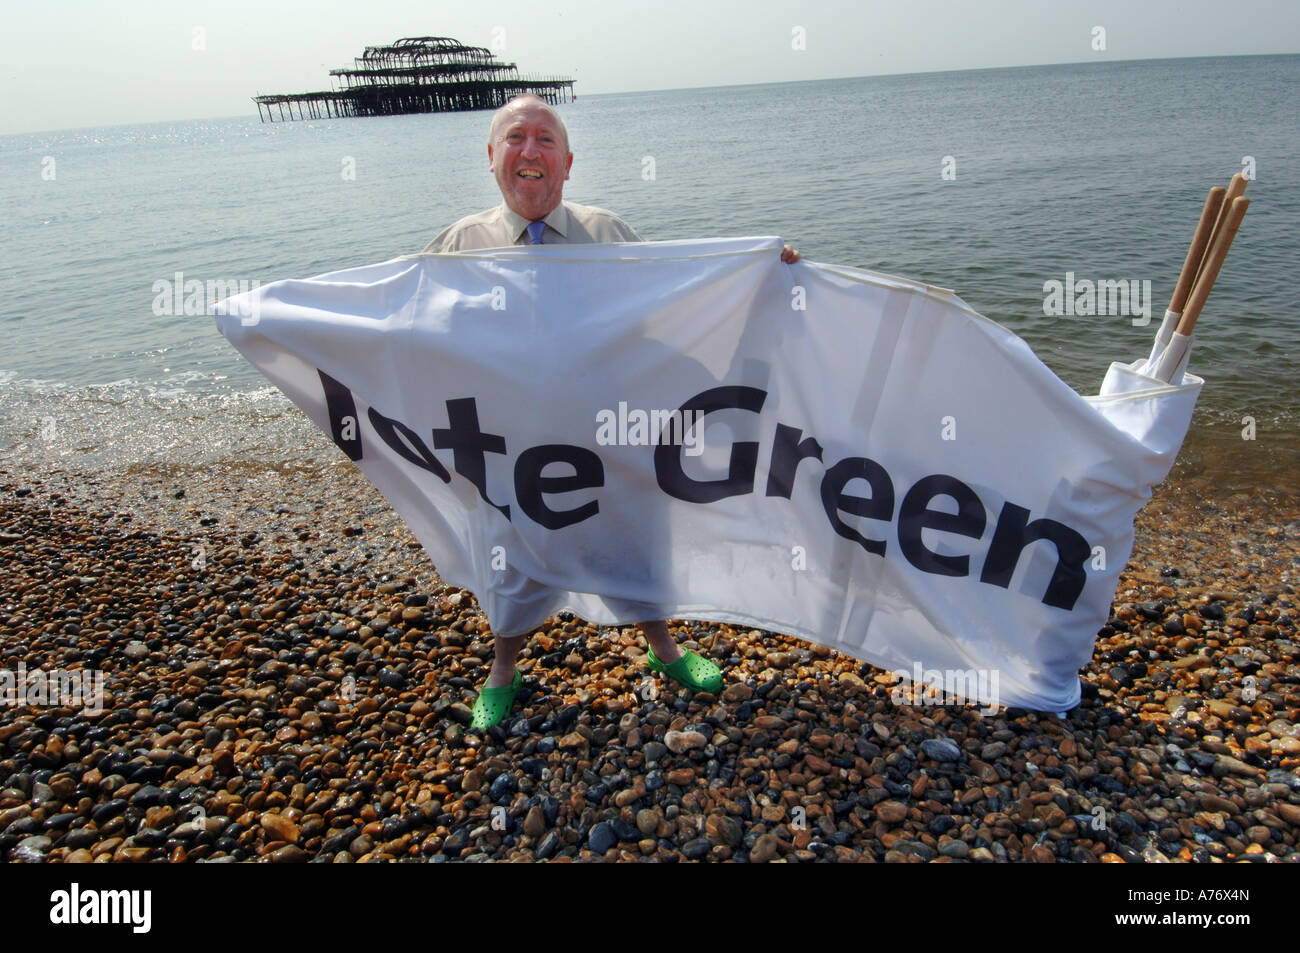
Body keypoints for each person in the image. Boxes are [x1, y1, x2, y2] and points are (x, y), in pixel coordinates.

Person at [422, 94, 799, 730]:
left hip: (609, 436)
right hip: (513, 449)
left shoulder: (608, 235)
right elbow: (405, 330)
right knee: (509, 556)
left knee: (635, 541)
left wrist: (761, 277)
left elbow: (678, 305)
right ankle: (503, 672)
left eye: (546, 140)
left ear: (567, 164)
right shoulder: (461, 244)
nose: (531, 150)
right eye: (516, 137)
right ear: (492, 158)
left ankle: (664, 650)